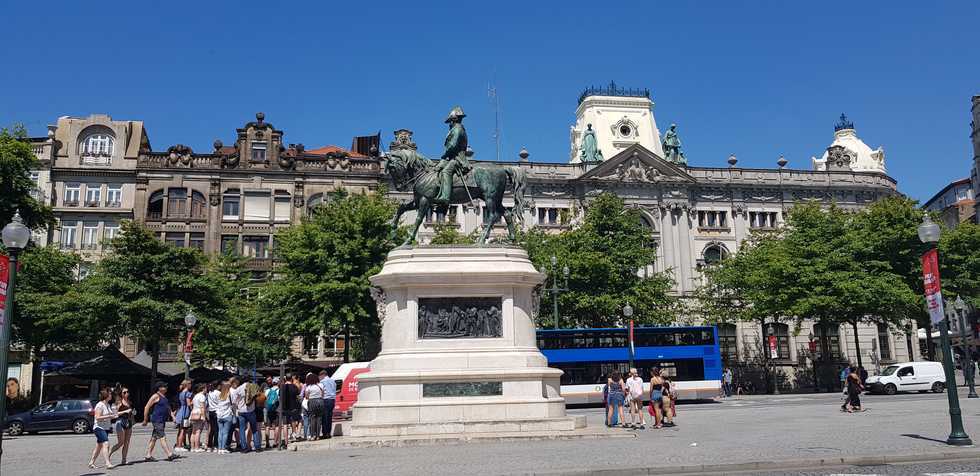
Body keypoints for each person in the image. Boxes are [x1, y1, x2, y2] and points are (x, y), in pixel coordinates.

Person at [433, 105, 469, 205]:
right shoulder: (457, 129)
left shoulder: (457, 129)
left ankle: (445, 196)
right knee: (437, 168)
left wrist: (444, 155)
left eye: (450, 121)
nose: (449, 124)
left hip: (458, 159)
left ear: (453, 120)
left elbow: (452, 146)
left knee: (446, 171)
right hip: (452, 157)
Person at [89, 389, 128, 470]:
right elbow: (97, 417)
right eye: (110, 394)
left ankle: (91, 462)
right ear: (105, 395)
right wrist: (109, 416)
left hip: (105, 428)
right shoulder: (100, 405)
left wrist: (123, 412)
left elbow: (112, 415)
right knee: (106, 443)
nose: (111, 396)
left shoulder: (107, 404)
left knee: (99, 446)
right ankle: (108, 463)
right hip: (99, 427)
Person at [142, 381, 178, 462]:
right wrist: (145, 419)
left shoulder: (164, 397)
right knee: (162, 436)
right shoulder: (155, 396)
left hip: (162, 419)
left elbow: (168, 408)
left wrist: (173, 416)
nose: (166, 388)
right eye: (164, 386)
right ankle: (169, 454)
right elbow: (146, 407)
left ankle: (148, 455)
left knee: (154, 438)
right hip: (157, 419)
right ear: (159, 388)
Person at [230, 377, 260, 452]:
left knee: (242, 429)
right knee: (254, 429)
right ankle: (257, 447)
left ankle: (244, 447)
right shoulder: (253, 387)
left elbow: (234, 402)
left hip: (241, 412)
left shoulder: (238, 389)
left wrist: (235, 411)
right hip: (251, 411)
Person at [108, 386, 134, 465]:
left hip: (128, 422)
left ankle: (124, 460)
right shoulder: (119, 402)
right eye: (124, 392)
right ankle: (108, 455)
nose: (126, 393)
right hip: (120, 422)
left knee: (127, 442)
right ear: (121, 394)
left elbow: (130, 412)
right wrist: (125, 411)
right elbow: (114, 414)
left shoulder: (129, 402)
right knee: (121, 442)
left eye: (127, 392)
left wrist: (133, 413)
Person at [213, 380, 234, 454]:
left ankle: (219, 448)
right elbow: (233, 404)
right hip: (227, 414)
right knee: (225, 433)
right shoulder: (229, 395)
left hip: (219, 415)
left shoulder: (219, 395)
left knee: (220, 432)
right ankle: (223, 448)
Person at [304, 373, 325, 441]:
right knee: (319, 419)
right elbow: (323, 395)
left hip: (312, 402)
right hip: (320, 401)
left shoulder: (309, 387)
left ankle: (313, 435)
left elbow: (306, 397)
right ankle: (318, 436)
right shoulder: (321, 385)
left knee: (312, 418)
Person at [174, 379, 193, 452]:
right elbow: (188, 404)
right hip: (186, 413)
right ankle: (179, 446)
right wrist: (193, 401)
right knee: (183, 430)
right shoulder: (188, 393)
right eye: (190, 383)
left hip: (181, 411)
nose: (191, 385)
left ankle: (178, 445)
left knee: (180, 430)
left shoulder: (181, 393)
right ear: (187, 385)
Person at [189, 383, 208, 452]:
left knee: (193, 431)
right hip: (199, 413)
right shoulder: (202, 396)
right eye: (206, 388)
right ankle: (197, 447)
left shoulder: (196, 395)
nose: (206, 389)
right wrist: (203, 416)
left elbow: (191, 403)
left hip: (193, 413)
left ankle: (192, 447)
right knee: (198, 431)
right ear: (203, 389)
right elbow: (202, 407)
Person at [318, 370, 336, 439]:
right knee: (329, 417)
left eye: (320, 377)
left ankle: (325, 433)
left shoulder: (322, 382)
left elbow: (321, 391)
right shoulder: (333, 381)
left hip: (325, 400)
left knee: (324, 417)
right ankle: (328, 432)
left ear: (322, 375)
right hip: (332, 400)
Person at [206, 381, 220, 452]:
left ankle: (209, 445)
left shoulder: (209, 393)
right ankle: (215, 445)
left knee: (211, 429)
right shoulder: (218, 393)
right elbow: (220, 402)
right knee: (216, 429)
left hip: (210, 411)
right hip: (216, 411)